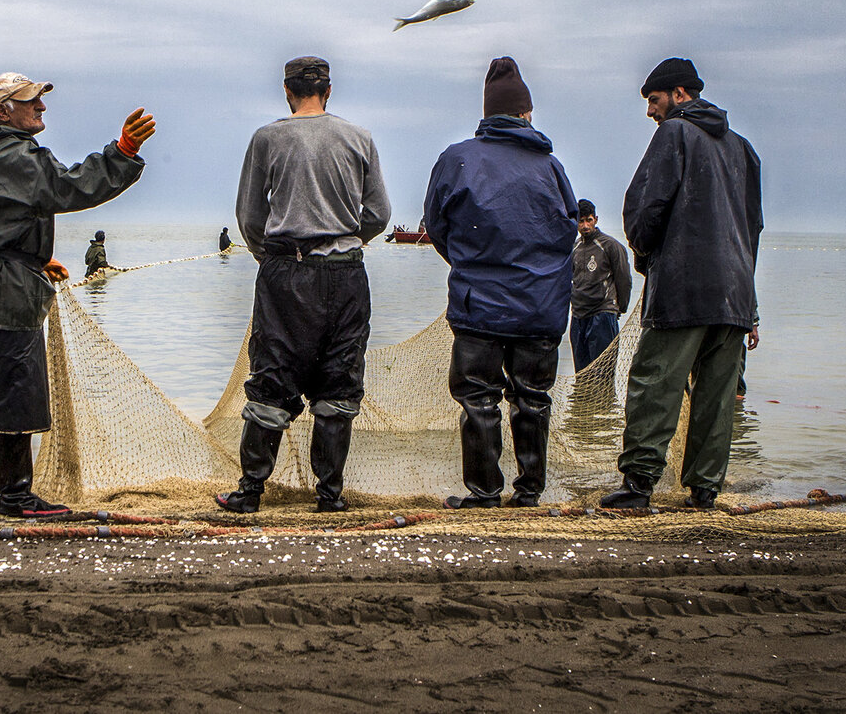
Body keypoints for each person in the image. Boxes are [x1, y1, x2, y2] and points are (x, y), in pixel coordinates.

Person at [0, 72, 154, 517]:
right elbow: (68, 186)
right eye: (31, 100)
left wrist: (32, 257)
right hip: (5, 281)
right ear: (2, 112)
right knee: (16, 384)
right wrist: (122, 153)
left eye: (40, 100)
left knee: (2, 375)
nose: (42, 107)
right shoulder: (14, 154)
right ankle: (14, 495)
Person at [218, 56, 391, 513]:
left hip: (285, 274)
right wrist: (347, 240)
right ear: (328, 91)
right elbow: (378, 215)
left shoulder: (267, 138)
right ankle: (329, 496)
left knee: (273, 373)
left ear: (287, 91)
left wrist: (272, 258)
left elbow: (250, 217)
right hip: (347, 274)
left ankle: (249, 492)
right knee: (339, 377)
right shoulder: (360, 138)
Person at [601, 58, 762, 510]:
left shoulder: (674, 133)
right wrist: (750, 306)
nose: (651, 111)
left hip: (683, 288)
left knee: (655, 383)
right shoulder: (744, 149)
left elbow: (643, 207)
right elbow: (753, 230)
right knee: (716, 397)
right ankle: (705, 491)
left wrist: (645, 256)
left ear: (680, 95)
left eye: (654, 100)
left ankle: (638, 486)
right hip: (734, 296)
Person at [423, 57, 577, 509]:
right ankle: (529, 492)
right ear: (526, 113)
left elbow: (436, 225)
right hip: (541, 307)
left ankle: (485, 492)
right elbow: (567, 231)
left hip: (479, 305)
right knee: (533, 398)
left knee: (478, 398)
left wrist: (470, 263)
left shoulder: (458, 159)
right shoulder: (551, 167)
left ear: (488, 114)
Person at [570, 199, 632, 372]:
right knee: (582, 376)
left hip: (603, 314)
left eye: (588, 220)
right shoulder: (574, 248)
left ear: (595, 219)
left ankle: (607, 400)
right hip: (578, 316)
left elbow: (624, 279)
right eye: (580, 221)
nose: (585, 226)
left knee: (602, 374)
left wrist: (621, 307)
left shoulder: (610, 246)